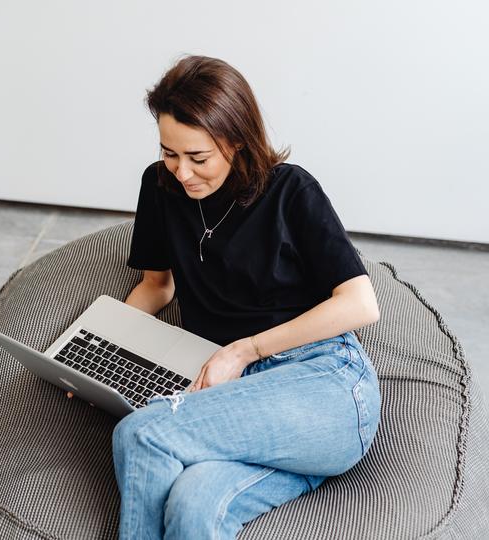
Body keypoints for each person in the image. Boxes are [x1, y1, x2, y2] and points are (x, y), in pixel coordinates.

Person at [71, 54, 381, 539]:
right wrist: (102, 350)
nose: (182, 172)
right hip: (230, 397)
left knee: (143, 435)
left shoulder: (289, 190)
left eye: (198, 158)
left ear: (236, 141)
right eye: (170, 153)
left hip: (324, 383)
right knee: (193, 504)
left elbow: (362, 304)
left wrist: (246, 349)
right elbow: (159, 286)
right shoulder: (159, 188)